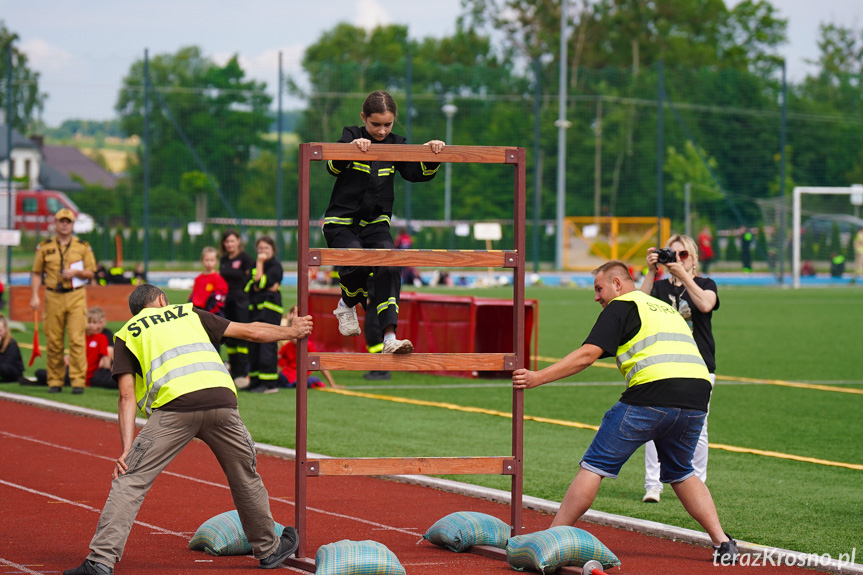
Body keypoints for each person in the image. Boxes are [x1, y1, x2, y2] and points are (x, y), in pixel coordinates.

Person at [62, 284, 310, 575]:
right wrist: (292, 332)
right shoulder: (188, 312)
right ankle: (269, 549)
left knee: (131, 481)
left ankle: (100, 561)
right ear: (161, 300)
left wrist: (127, 450)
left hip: (173, 408)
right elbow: (251, 331)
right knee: (245, 477)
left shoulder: (127, 332)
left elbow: (126, 396)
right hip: (221, 401)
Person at [511, 261, 738, 564]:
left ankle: (552, 537)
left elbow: (586, 355)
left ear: (617, 284)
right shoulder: (662, 308)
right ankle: (723, 542)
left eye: (599, 288)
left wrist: (538, 377)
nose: (596, 297)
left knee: (594, 466)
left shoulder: (621, 306)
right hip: (697, 397)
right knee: (683, 472)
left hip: (653, 395)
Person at [324, 90, 445, 355]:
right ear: (363, 118)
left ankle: (390, 337)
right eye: (375, 124)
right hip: (341, 222)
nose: (381, 131)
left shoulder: (396, 144)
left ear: (394, 121)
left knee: (390, 266)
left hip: (376, 223)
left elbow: (417, 174)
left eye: (387, 124)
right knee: (357, 258)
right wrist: (350, 149)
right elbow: (331, 166)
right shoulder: (350, 135)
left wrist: (432, 154)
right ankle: (346, 304)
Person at [638, 234, 719, 504]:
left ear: (694, 258)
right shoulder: (659, 288)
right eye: (671, 255)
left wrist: (684, 276)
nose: (677, 260)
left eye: (683, 255)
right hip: (663, 363)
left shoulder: (705, 284)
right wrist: (651, 271)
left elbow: (706, 304)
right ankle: (653, 485)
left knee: (699, 426)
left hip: (699, 366)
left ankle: (698, 483)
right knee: (653, 424)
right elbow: (636, 306)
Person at [29, 208, 97, 394]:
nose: (65, 224)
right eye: (61, 221)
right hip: (52, 296)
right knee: (54, 341)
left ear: (73, 224)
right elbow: (36, 273)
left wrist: (76, 273)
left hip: (75, 295)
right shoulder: (44, 246)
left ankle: (77, 381)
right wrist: (34, 295)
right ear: (55, 224)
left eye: (68, 221)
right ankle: (55, 380)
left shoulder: (82, 246)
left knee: (76, 339)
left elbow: (91, 272)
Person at [245, 236, 283, 393]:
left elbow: (259, 283)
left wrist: (260, 265)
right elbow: (251, 285)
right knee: (254, 345)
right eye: (260, 248)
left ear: (273, 250)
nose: (262, 252)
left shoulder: (275, 266)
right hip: (255, 311)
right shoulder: (253, 265)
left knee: (266, 347)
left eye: (266, 248)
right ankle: (255, 380)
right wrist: (260, 283)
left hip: (270, 311)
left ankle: (269, 383)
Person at [219, 230, 252, 388]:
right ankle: (232, 370)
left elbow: (250, 278)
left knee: (241, 335)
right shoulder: (224, 259)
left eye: (232, 241)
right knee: (229, 336)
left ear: (238, 241)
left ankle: (242, 372)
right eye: (227, 242)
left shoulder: (245, 258)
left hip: (241, 301)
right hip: (227, 301)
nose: (229, 244)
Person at [277, 307, 339, 389]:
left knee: (311, 381)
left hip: (298, 378)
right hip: (287, 376)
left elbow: (320, 364)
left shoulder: (307, 345)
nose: (292, 338)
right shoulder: (287, 345)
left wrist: (332, 384)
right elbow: (277, 358)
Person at [189, 247, 228, 316]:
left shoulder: (218, 278)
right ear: (202, 261)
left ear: (216, 262)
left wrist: (211, 311)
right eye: (206, 260)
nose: (209, 263)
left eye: (212, 260)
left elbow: (219, 297)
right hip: (197, 310)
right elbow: (193, 294)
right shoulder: (198, 278)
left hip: (210, 312)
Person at [0, 313, 24, 382]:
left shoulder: (11, 343)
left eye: (0, 331)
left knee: (3, 367)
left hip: (13, 371)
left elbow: (7, 362)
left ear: (5, 330)